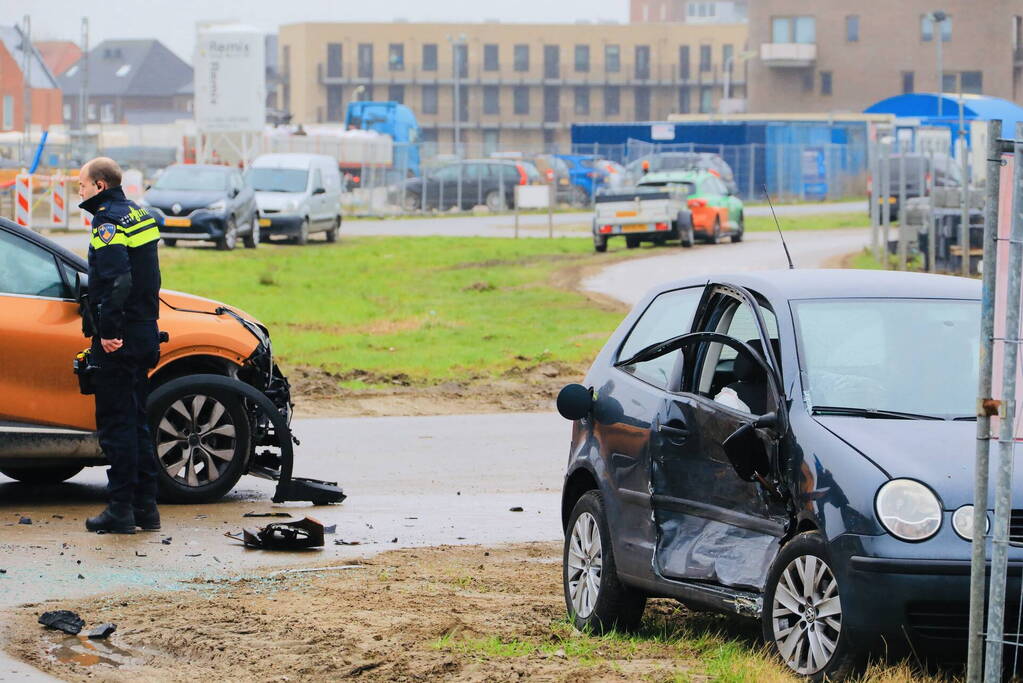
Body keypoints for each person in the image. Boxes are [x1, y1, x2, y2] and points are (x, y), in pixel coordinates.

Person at [78, 157, 163, 534]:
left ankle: (120, 510)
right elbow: (149, 276)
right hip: (144, 329)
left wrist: (109, 332)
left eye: (81, 184)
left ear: (99, 185)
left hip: (120, 337)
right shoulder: (139, 214)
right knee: (138, 422)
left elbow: (116, 281)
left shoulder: (107, 221)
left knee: (117, 426)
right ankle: (146, 508)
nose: (78, 191)